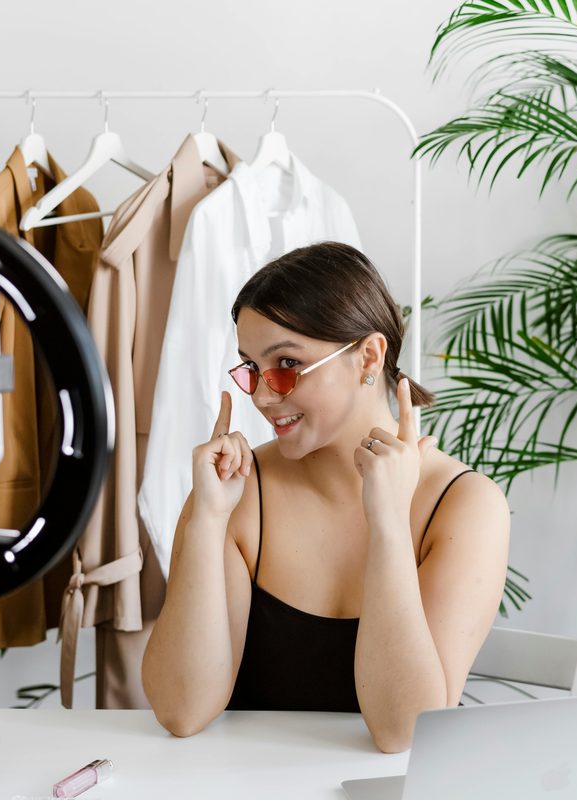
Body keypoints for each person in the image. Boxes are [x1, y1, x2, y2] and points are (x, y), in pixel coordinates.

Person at [141, 242, 511, 753]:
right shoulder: (238, 491)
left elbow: (403, 732)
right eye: (251, 367)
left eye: (287, 364)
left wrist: (387, 525)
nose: (263, 396)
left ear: (369, 356)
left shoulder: (466, 506)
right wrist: (206, 521)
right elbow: (182, 711)